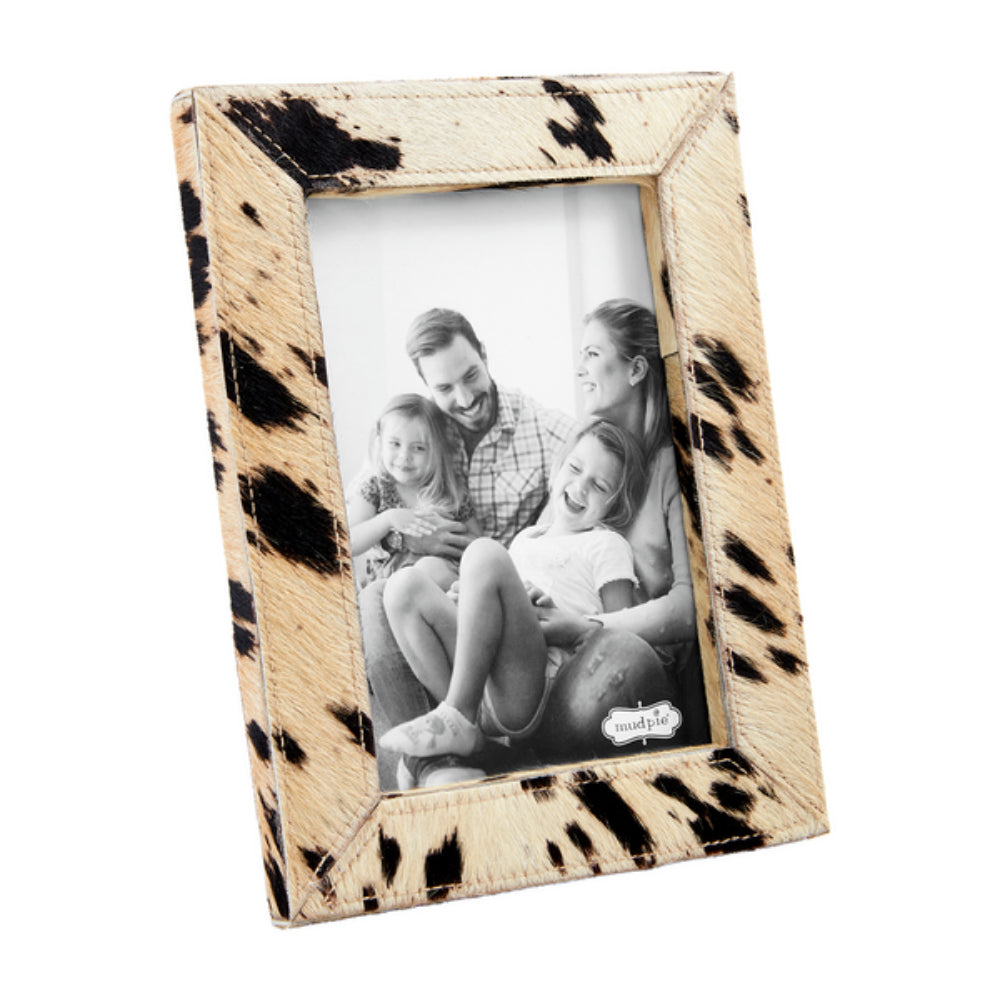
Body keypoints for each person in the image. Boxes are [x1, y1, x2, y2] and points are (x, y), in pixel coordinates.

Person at [359, 308, 575, 786]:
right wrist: (401, 531)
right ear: (427, 386)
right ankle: (443, 749)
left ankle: (440, 750)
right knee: (382, 592)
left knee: (476, 556)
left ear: (484, 355)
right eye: (444, 388)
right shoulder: (421, 433)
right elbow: (369, 494)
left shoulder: (542, 427)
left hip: (506, 604)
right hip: (447, 612)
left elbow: (597, 455)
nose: (463, 398)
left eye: (471, 375)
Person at [378, 420, 644, 762]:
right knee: (404, 585)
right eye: (575, 468)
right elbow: (494, 602)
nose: (580, 487)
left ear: (616, 504)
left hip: (535, 681)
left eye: (599, 485)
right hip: (484, 679)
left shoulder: (607, 543)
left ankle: (456, 715)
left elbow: (619, 633)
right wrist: (467, 599)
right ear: (558, 467)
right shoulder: (527, 538)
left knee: (484, 554)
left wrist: (567, 618)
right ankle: (464, 725)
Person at [525, 298, 709, 766]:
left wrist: (588, 628)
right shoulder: (586, 450)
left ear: (636, 369)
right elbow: (543, 550)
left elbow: (692, 606)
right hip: (557, 658)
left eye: (591, 353)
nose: (579, 369)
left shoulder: (676, 465)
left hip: (634, 670)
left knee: (622, 656)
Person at [346, 394, 477, 590]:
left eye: (418, 448)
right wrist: (387, 520)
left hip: (440, 583)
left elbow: (477, 542)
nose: (404, 456)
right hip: (387, 586)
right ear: (380, 442)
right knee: (370, 596)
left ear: (437, 451)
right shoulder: (374, 487)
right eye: (395, 444)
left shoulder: (450, 490)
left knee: (430, 568)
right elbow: (349, 542)